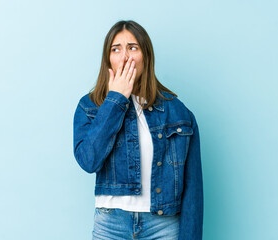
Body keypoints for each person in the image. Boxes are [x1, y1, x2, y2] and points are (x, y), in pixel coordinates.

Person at [73, 20, 203, 240]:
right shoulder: (90, 106)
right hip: (110, 225)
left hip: (163, 226)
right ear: (108, 60)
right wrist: (116, 99)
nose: (125, 57)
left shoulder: (178, 112)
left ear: (146, 56)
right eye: (116, 49)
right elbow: (88, 160)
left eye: (133, 47)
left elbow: (193, 188)